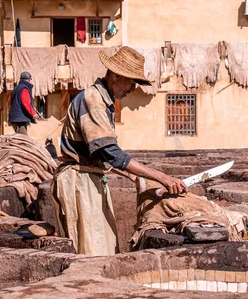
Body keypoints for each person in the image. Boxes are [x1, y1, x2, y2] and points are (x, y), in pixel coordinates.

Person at [52, 46, 187, 256]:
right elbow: (110, 153)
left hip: (90, 177)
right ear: (115, 76)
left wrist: (133, 176)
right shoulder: (93, 99)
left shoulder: (103, 101)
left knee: (103, 245)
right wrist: (162, 177)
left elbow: (99, 154)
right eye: (131, 82)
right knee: (90, 249)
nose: (133, 88)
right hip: (78, 182)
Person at [8, 71, 41, 136]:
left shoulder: (16, 88)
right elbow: (25, 103)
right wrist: (33, 114)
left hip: (16, 117)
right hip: (20, 119)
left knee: (19, 138)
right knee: (23, 139)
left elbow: (9, 102)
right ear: (29, 80)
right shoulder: (24, 89)